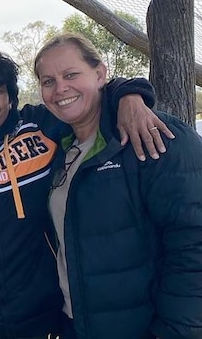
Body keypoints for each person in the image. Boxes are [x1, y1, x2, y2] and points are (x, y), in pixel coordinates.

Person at [0, 51, 170, 339]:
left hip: (40, 320)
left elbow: (87, 99)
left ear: (11, 101)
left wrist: (130, 95)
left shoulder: (39, 129)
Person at [34, 33, 202, 339]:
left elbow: (193, 247)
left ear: (100, 74)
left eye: (71, 74)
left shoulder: (155, 136)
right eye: (48, 81)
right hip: (76, 326)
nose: (60, 89)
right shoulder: (57, 149)